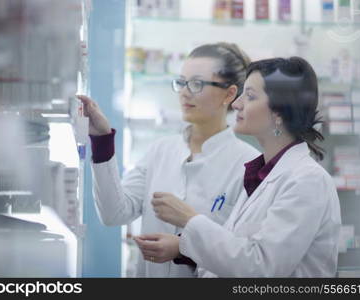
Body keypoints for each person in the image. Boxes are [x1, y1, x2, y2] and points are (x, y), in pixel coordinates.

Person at [136, 57, 342, 277]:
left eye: (250, 96)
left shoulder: (307, 181)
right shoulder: (261, 174)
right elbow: (238, 249)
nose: (236, 103)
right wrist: (183, 248)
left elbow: (262, 267)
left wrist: (190, 219)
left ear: (279, 112)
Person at [77, 42, 260, 277]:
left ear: (230, 93)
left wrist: (185, 250)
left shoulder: (249, 165)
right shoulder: (161, 150)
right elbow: (114, 214)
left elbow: (245, 259)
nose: (184, 92)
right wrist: (102, 140)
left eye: (196, 83)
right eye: (182, 82)